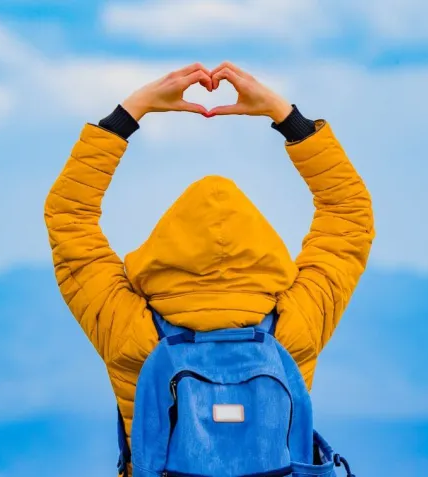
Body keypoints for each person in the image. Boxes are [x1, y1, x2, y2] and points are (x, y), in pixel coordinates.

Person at [44, 61, 374, 470]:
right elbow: (349, 215)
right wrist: (286, 117)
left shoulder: (129, 329)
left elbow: (68, 217)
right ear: (262, 249)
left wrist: (130, 112)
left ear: (162, 249)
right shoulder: (295, 323)